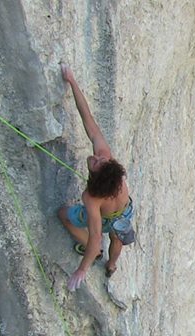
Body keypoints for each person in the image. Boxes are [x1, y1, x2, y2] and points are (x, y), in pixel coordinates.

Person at [57, 64, 135, 291]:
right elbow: (88, 121)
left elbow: (94, 238)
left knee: (63, 214)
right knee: (118, 237)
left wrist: (81, 270)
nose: (96, 158)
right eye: (101, 161)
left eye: (98, 164)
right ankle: (112, 265)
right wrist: (72, 81)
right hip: (125, 210)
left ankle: (104, 258)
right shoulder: (107, 160)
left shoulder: (91, 199)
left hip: (106, 215)